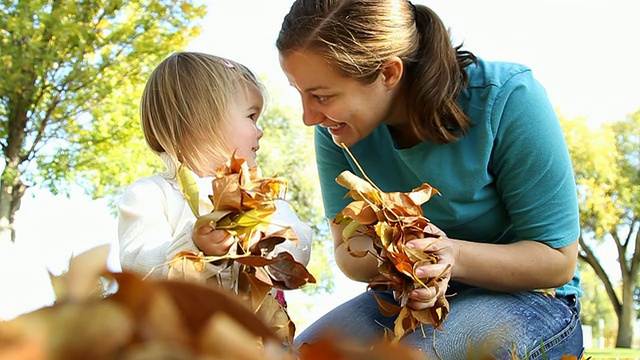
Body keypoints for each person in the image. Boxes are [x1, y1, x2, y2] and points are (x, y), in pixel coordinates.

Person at [276, 1, 582, 359]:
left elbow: (557, 259)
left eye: (322, 96)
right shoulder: (336, 131)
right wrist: (405, 257)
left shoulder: (507, 97)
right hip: (403, 296)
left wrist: (451, 256)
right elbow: (349, 252)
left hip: (533, 300)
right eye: (300, 92)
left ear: (389, 73)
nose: (308, 116)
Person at [117, 52, 312, 302]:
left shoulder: (261, 197)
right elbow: (138, 265)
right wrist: (195, 248)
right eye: (251, 116)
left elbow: (299, 244)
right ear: (201, 119)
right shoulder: (150, 195)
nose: (260, 131)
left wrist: (262, 242)